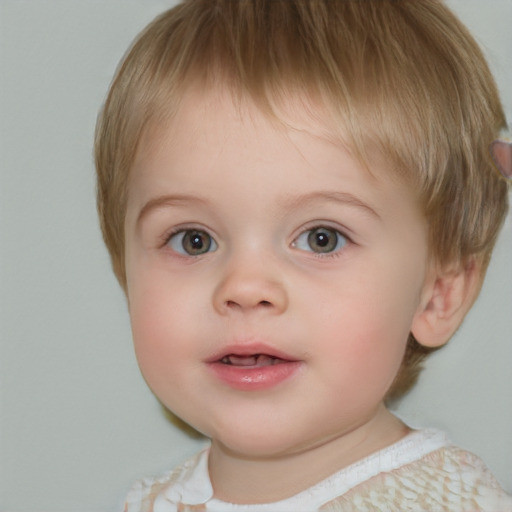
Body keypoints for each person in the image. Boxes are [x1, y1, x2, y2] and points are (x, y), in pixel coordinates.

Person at [94, 0, 512, 510]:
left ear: (438, 295)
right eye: (193, 240)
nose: (245, 288)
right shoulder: (152, 502)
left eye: (322, 238)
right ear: (126, 275)